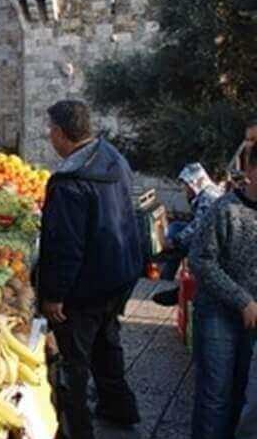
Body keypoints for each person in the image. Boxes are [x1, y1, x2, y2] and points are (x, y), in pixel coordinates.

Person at [36, 100, 142, 439]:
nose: (48, 135)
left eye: (50, 129)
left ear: (60, 132)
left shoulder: (69, 181)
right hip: (119, 274)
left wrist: (53, 295)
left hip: (85, 287)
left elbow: (65, 246)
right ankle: (120, 408)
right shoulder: (114, 159)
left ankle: (77, 429)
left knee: (74, 362)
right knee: (108, 344)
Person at [190, 144, 257, 439]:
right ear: (252, 171)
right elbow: (201, 261)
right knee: (215, 395)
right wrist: (241, 300)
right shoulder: (226, 208)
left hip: (251, 318)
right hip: (218, 315)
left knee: (240, 393)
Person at [150, 163, 223, 306]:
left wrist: (176, 241)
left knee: (178, 236)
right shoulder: (207, 192)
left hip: (212, 243)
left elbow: (198, 226)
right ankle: (166, 276)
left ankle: (168, 280)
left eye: (186, 184)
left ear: (195, 182)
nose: (184, 189)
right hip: (209, 237)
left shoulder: (208, 197)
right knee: (176, 227)